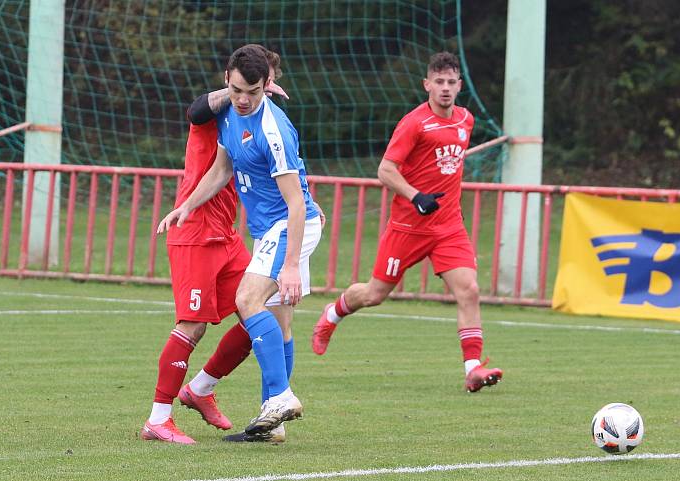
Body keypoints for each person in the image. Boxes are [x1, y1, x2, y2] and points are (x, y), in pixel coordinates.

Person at [157, 44, 322, 443]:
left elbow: (296, 203)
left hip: (288, 225)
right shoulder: (229, 113)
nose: (243, 100)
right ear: (226, 83)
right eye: (236, 91)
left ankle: (280, 397)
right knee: (279, 324)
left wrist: (292, 266)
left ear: (267, 86)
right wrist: (187, 206)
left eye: (252, 91)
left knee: (248, 301)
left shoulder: (273, 129)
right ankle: (273, 426)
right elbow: (221, 168)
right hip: (270, 229)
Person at [311, 52, 503, 393]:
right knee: (373, 294)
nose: (445, 88)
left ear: (459, 86)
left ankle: (472, 368)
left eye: (451, 82)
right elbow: (385, 170)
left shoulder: (465, 121)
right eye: (438, 82)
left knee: (469, 291)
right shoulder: (413, 123)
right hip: (407, 227)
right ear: (426, 84)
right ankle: (332, 315)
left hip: (448, 227)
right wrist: (416, 196)